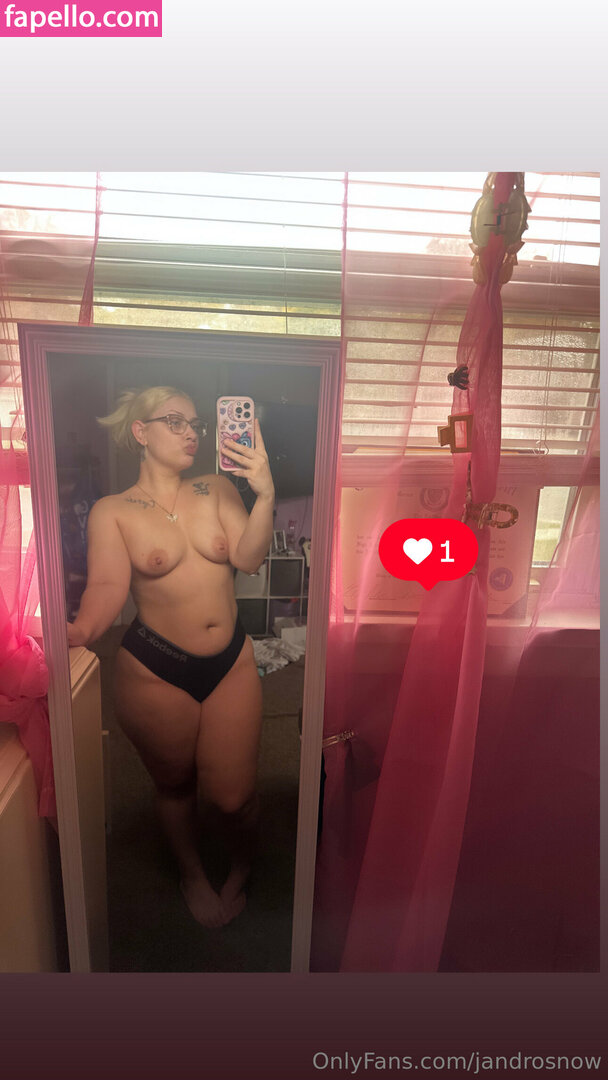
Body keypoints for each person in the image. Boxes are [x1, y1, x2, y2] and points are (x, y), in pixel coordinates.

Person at [67, 386, 275, 928]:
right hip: (155, 669)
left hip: (230, 662)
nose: (192, 434)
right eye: (175, 422)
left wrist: (265, 495)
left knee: (234, 798)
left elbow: (249, 558)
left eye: (196, 424)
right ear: (141, 431)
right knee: (175, 786)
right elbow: (107, 586)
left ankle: (243, 862)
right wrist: (80, 630)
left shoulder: (216, 488)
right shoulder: (113, 511)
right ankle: (191, 873)